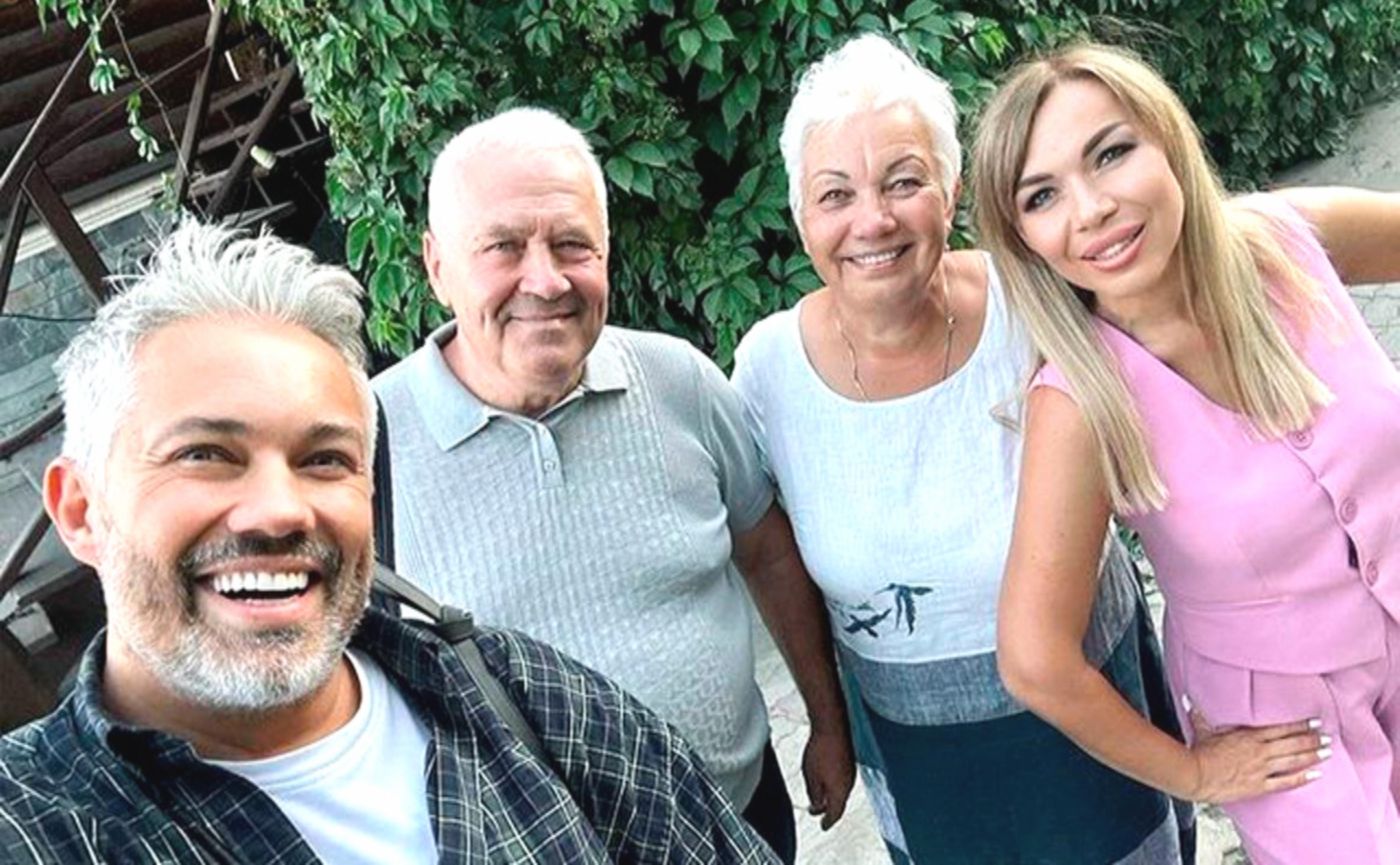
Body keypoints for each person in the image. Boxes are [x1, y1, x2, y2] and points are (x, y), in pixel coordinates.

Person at [0, 221, 781, 865]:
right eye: (206, 454)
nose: (279, 511)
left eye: (323, 459)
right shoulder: (36, 829)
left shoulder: (527, 699)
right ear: (80, 508)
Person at [730, 34, 1192, 864]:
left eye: (903, 181)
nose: (872, 219)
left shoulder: (1039, 297)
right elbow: (773, 560)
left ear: (950, 194)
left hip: (1094, 717)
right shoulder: (767, 371)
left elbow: (1195, 276)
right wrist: (826, 722)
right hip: (922, 753)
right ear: (801, 218)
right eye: (835, 194)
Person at [370, 107, 853, 860]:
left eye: (573, 244)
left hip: (740, 822)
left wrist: (827, 721)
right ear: (437, 267)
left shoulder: (678, 379)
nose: (545, 280)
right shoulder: (362, 448)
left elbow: (767, 551)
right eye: (503, 246)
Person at [973, 41, 1400, 865]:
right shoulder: (1080, 403)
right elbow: (1033, 658)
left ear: (1166, 139)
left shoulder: (1285, 243)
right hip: (1291, 729)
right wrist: (1193, 772)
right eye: (1042, 195)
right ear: (1022, 237)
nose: (1092, 208)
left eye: (1111, 152)